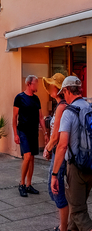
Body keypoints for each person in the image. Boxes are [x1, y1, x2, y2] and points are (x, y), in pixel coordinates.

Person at [51, 76, 92, 231]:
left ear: (67, 90)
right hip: (90, 164)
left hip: (76, 169)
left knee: (78, 211)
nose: (64, 96)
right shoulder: (90, 108)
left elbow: (62, 146)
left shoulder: (69, 112)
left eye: (64, 92)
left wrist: (55, 175)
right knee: (76, 210)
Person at [42, 74, 69, 231]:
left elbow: (55, 135)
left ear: (57, 89)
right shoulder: (62, 105)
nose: (49, 88)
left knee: (55, 188)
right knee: (56, 188)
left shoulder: (61, 107)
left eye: (52, 85)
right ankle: (65, 224)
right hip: (60, 151)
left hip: (60, 152)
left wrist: (48, 148)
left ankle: (63, 227)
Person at [14, 75, 46, 197]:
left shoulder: (36, 99)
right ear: (28, 84)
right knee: (27, 156)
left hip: (34, 132)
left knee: (32, 158)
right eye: (35, 83)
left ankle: (29, 184)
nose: (37, 86)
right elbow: (14, 117)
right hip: (23, 131)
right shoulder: (19, 98)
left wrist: (45, 133)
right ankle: (21, 184)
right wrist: (15, 134)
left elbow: (41, 117)